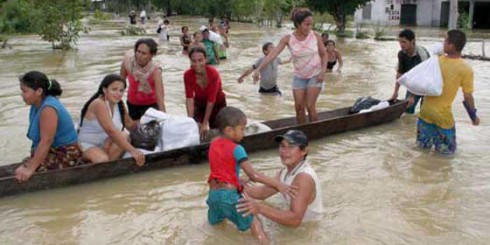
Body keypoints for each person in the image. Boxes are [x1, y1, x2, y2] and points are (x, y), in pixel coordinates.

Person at [206, 106, 296, 244]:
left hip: (213, 196)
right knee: (256, 224)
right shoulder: (238, 149)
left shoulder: (214, 143)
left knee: (215, 229)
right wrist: (278, 185)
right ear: (229, 130)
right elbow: (254, 175)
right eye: (242, 129)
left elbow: (219, 169)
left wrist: (237, 179)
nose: (244, 133)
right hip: (229, 196)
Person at [253, 8, 326, 124]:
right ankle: (301, 132)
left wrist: (323, 72)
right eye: (306, 24)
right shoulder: (288, 39)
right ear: (298, 24)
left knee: (310, 105)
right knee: (298, 107)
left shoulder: (315, 36)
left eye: (310, 24)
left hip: (315, 75)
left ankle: (315, 131)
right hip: (299, 76)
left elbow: (323, 54)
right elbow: (273, 54)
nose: (309, 27)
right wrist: (258, 69)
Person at [237, 129, 323, 227]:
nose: (284, 151)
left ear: (304, 151)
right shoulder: (284, 172)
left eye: (291, 147)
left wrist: (259, 208)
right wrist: (235, 184)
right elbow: (261, 193)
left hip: (306, 229)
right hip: (294, 226)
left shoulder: (304, 178)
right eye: (282, 146)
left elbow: (294, 220)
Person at [415, 29, 480, 155]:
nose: (443, 43)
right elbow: (467, 96)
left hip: (425, 112)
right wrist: (473, 117)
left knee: (421, 151)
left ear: (451, 46)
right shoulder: (465, 69)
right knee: (446, 156)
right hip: (442, 117)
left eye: (445, 41)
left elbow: (420, 81)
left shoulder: (436, 61)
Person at [15, 71, 83, 182]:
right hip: (51, 150)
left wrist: (31, 168)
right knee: (21, 169)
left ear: (39, 91)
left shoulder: (48, 108)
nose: (22, 94)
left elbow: (46, 141)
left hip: (66, 153)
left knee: (27, 175)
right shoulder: (35, 104)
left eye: (24, 91)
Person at [78, 74, 145, 166]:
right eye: (114, 89)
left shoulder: (119, 104)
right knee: (102, 159)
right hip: (88, 145)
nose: (118, 93)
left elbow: (130, 125)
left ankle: (107, 168)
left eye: (121, 90)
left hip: (106, 144)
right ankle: (106, 166)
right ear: (105, 90)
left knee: (124, 136)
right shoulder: (98, 103)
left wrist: (147, 132)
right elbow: (111, 131)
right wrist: (133, 151)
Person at [184, 47, 226, 139]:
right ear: (190, 61)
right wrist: (190, 121)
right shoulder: (187, 75)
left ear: (206, 59)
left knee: (216, 131)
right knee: (196, 128)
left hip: (217, 104)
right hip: (200, 103)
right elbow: (189, 98)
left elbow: (211, 100)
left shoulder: (213, 73)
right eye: (194, 61)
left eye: (200, 60)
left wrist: (205, 123)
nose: (197, 64)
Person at [120, 38, 166, 121]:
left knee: (151, 131)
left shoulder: (155, 70)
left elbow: (160, 97)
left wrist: (164, 118)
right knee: (134, 131)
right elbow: (120, 84)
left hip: (151, 106)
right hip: (132, 104)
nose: (139, 55)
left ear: (152, 55)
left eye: (144, 53)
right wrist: (117, 104)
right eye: (138, 51)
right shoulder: (128, 62)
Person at [390, 29, 430, 114]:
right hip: (414, 81)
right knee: (408, 109)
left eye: (404, 42)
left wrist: (412, 96)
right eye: (400, 42)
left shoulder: (421, 55)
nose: (401, 45)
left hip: (427, 82)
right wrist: (395, 92)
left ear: (413, 41)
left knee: (425, 112)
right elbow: (400, 74)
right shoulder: (401, 54)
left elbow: (421, 76)